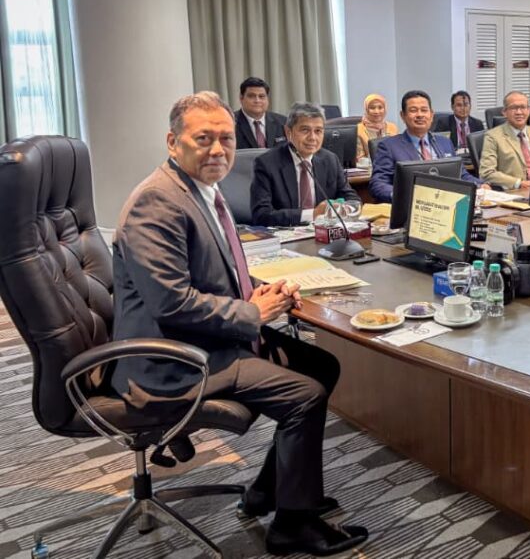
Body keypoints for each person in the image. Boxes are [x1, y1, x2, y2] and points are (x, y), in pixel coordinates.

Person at [111, 92, 368, 556]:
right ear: (172, 142)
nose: (218, 150)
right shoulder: (158, 202)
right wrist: (253, 313)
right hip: (172, 359)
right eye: (203, 139)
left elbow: (215, 271)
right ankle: (293, 526)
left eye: (226, 139)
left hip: (201, 337)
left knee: (322, 365)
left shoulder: (200, 188)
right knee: (304, 395)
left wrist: (259, 294)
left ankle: (270, 491)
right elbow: (172, 303)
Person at [250, 102, 360, 227]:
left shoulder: (330, 160)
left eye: (318, 131)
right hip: (286, 234)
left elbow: (352, 199)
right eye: (305, 130)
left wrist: (345, 209)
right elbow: (261, 216)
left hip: (324, 231)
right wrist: (313, 214)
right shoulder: (266, 163)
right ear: (288, 132)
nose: (312, 137)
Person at [369, 90, 487, 203]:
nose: (420, 115)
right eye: (413, 110)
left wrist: (480, 184)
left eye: (424, 110)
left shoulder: (445, 143)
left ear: (431, 115)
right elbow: (378, 184)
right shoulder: (389, 147)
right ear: (403, 116)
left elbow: (461, 174)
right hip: (411, 207)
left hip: (446, 205)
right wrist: (401, 195)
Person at [479, 91, 530, 189]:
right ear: (504, 112)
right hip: (514, 192)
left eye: (523, 107)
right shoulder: (492, 137)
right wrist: (519, 183)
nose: (519, 112)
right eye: (513, 108)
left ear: (529, 110)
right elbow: (487, 172)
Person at [234, 76, 287, 150]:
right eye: (251, 96)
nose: (257, 100)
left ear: (267, 99)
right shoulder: (230, 122)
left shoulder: (283, 122)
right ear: (241, 98)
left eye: (261, 96)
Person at [356, 93, 398, 163]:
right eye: (372, 108)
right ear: (366, 109)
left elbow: (397, 152)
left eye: (380, 107)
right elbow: (360, 159)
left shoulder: (392, 127)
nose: (377, 111)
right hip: (370, 168)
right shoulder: (359, 129)